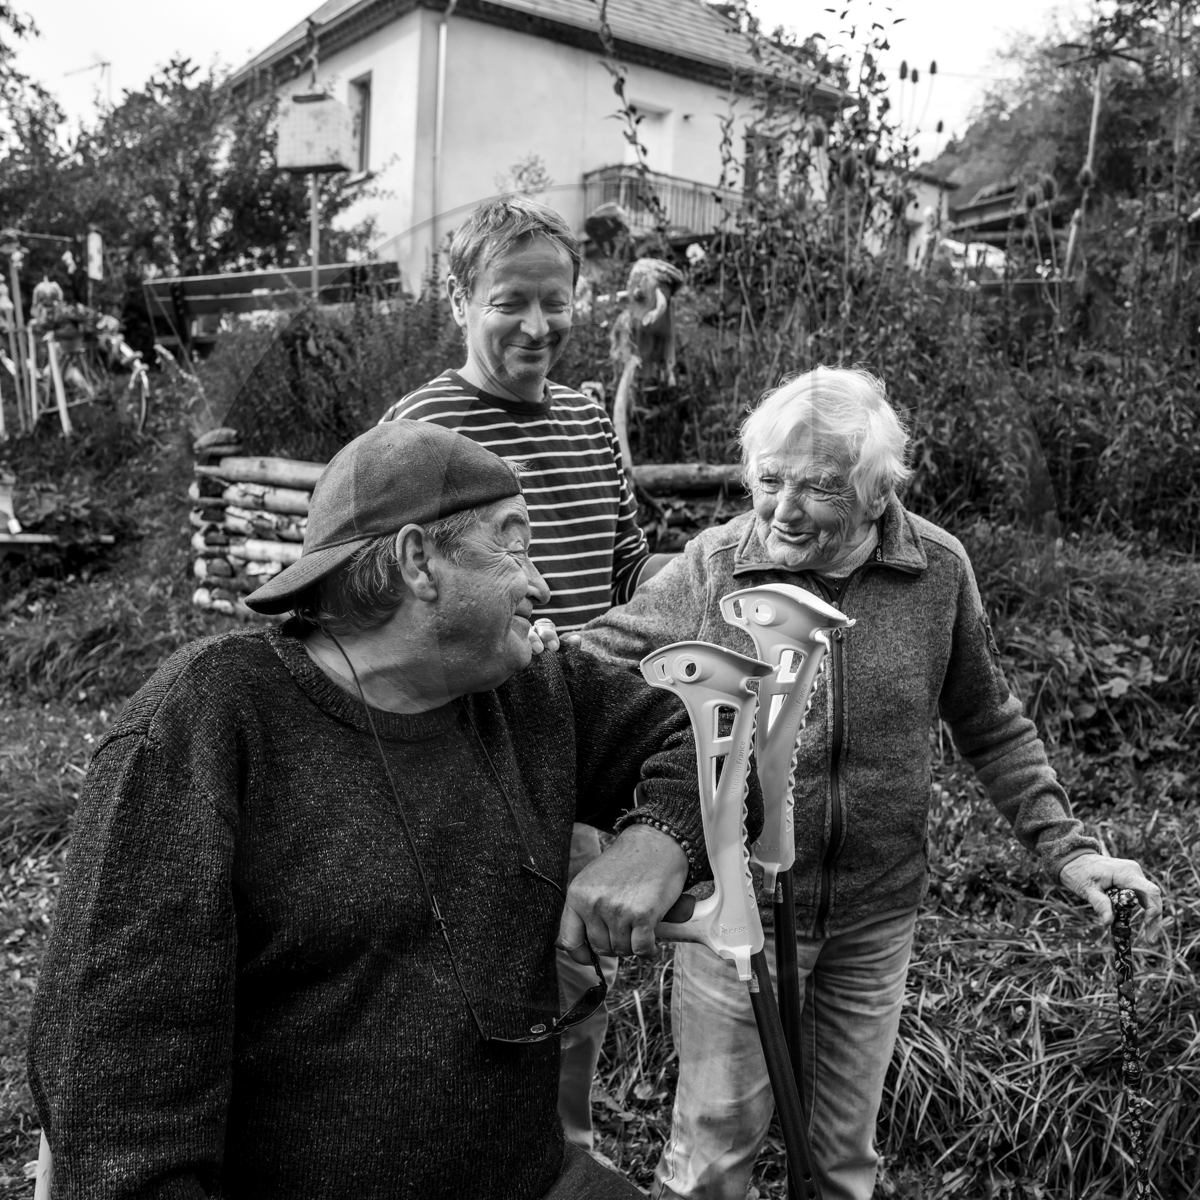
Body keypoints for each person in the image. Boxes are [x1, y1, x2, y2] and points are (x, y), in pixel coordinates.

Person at [28, 422, 710, 1200]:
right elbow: (116, 1102)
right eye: (512, 547)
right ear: (419, 561)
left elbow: (701, 743)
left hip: (529, 1179)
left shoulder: (531, 688)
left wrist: (664, 837)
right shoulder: (209, 725)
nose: (541, 585)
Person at [579, 366, 1164, 1200]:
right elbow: (600, 658)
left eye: (817, 487)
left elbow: (990, 723)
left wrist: (1067, 850)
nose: (782, 510)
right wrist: (519, 646)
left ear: (873, 493)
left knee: (844, 1163)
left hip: (873, 916)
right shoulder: (717, 564)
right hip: (737, 916)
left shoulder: (934, 571)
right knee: (711, 1161)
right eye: (769, 481)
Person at [377, 194, 670, 1152]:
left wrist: (713, 568)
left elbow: (631, 571)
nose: (537, 326)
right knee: (480, 965)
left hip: (589, 734)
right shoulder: (420, 430)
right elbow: (385, 597)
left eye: (556, 302)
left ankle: (561, 1156)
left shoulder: (589, 420)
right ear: (461, 299)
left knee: (574, 968)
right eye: (510, 301)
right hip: (477, 744)